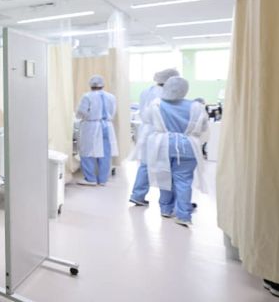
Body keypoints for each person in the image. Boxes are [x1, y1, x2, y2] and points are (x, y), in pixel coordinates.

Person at [144, 76, 208, 227]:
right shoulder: (196, 106)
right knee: (184, 180)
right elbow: (203, 127)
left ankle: (166, 209)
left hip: (163, 146)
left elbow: (148, 120)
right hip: (188, 147)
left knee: (164, 177)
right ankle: (184, 215)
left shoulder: (156, 104)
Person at [129, 68, 180, 206]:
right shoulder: (169, 93)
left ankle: (137, 195)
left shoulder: (147, 91)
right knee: (165, 166)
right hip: (161, 131)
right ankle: (167, 203)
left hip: (147, 131)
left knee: (145, 164)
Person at [76, 75, 118, 186]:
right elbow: (113, 112)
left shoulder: (87, 96)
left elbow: (81, 112)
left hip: (91, 126)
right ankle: (103, 179)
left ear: (90, 85)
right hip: (107, 125)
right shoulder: (111, 97)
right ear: (103, 84)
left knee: (87, 151)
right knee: (105, 152)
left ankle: (90, 179)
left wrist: (84, 117)